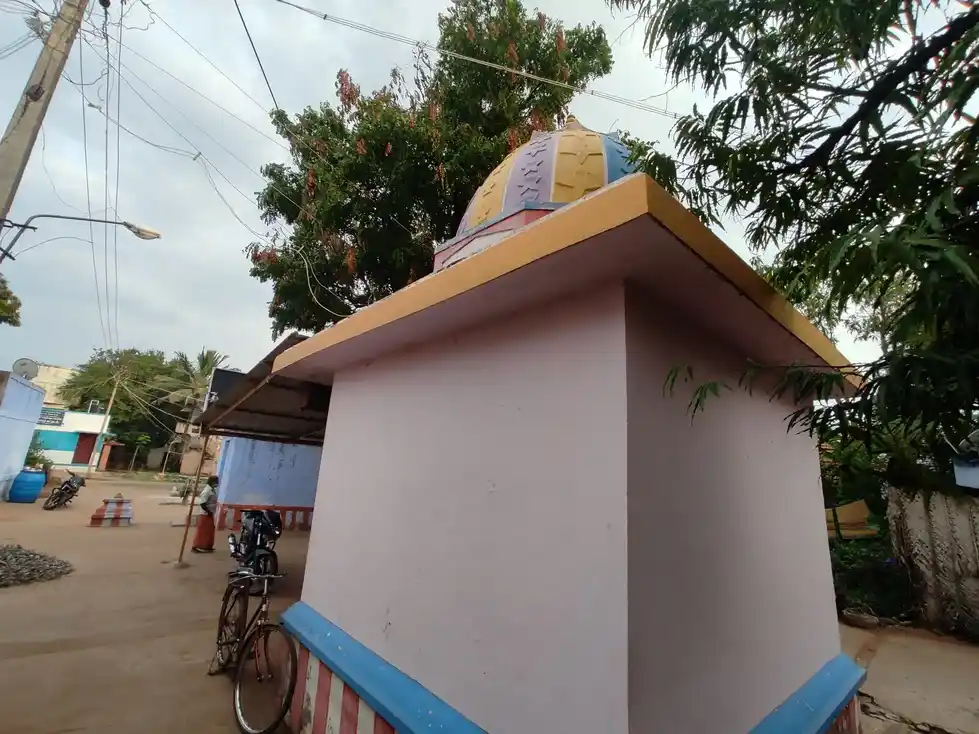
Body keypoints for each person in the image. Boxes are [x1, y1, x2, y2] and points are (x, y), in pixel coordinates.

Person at [191, 475, 219, 554]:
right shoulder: (207, 491)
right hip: (205, 514)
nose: (217, 483)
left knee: (209, 531)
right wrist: (208, 511)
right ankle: (196, 546)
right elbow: (202, 503)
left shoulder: (212, 490)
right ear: (212, 482)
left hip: (210, 513)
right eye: (216, 482)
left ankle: (207, 546)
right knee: (202, 531)